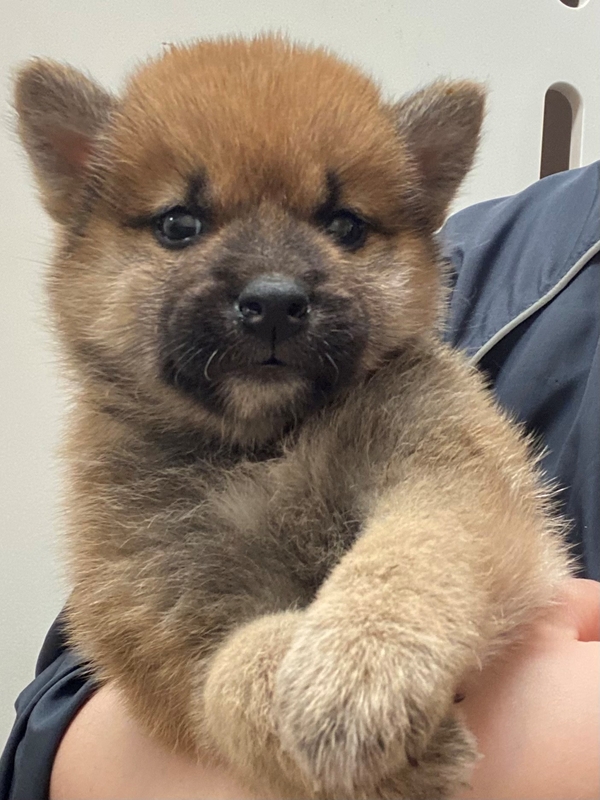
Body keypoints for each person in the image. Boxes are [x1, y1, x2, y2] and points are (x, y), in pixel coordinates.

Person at [1, 162, 599, 800]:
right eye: (181, 226)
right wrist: (253, 697)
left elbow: (465, 500)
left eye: (342, 228)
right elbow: (73, 699)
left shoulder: (429, 350)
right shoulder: (499, 264)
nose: (273, 284)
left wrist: (390, 609)